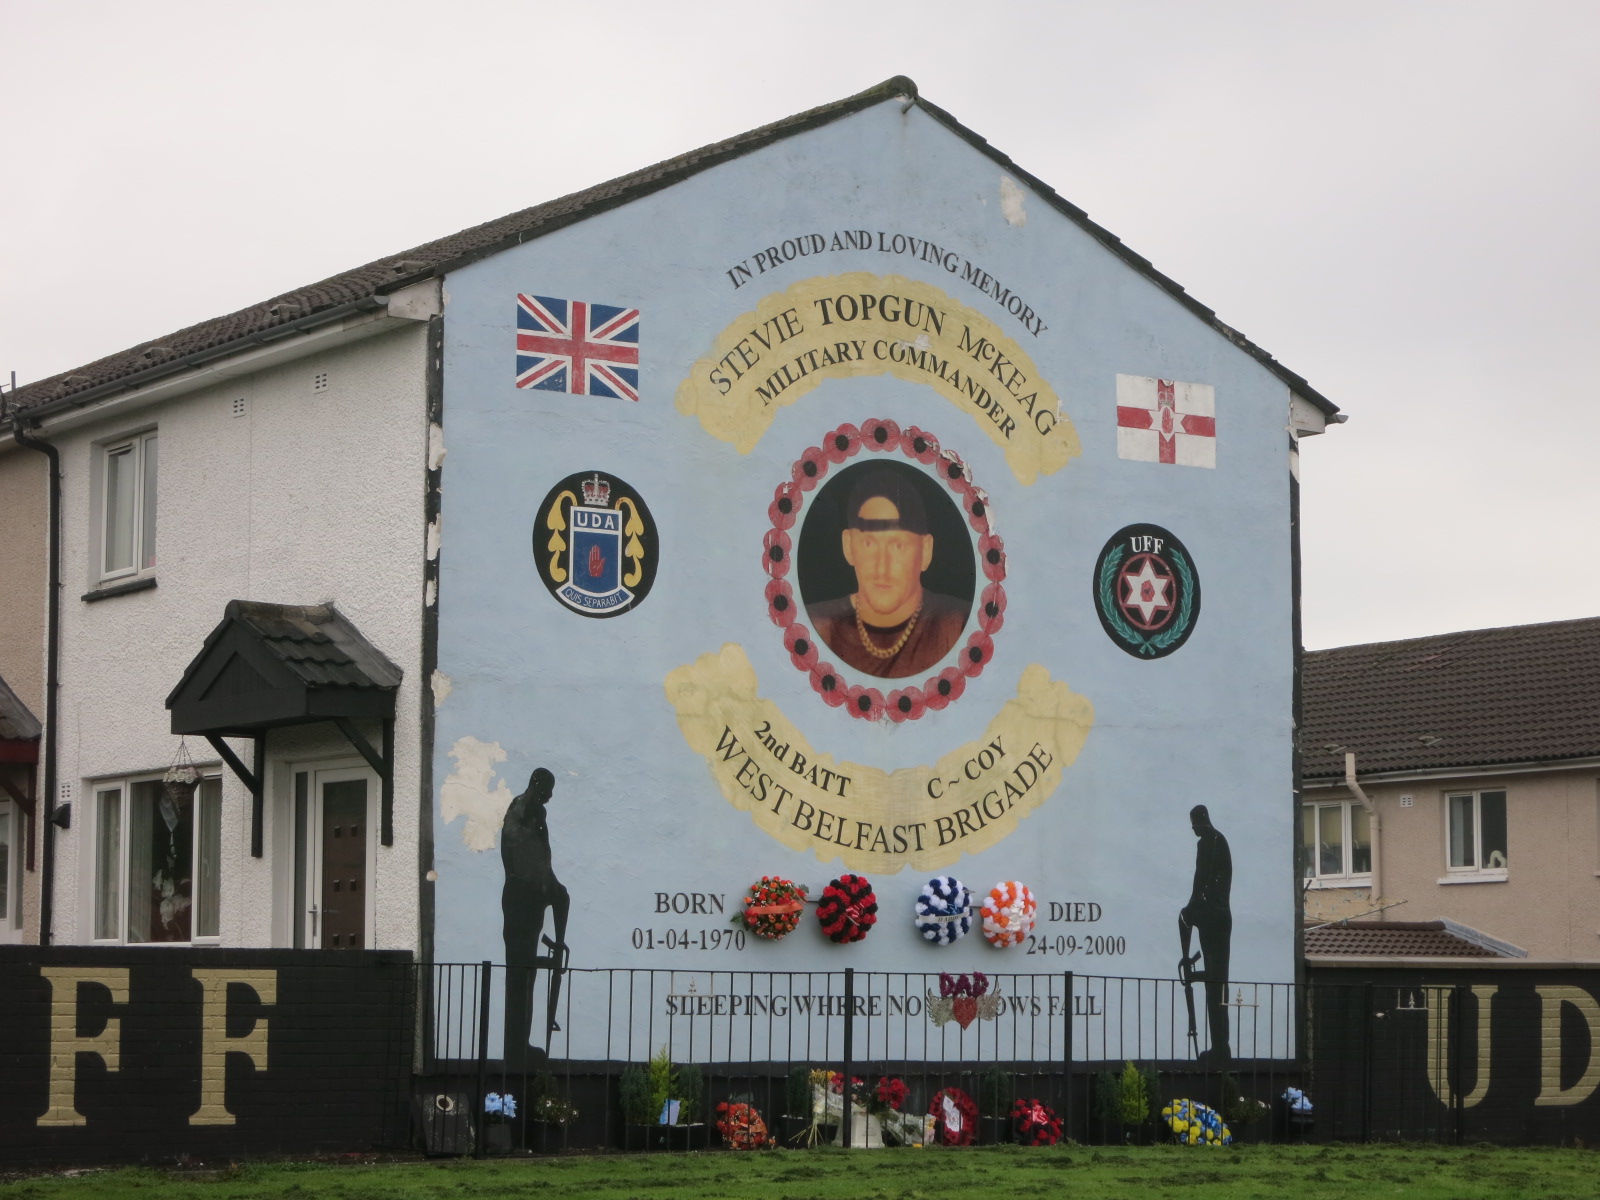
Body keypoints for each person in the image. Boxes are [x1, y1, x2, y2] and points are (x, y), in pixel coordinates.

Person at [805, 466, 968, 678]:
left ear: (926, 551)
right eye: (869, 543)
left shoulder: (958, 625)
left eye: (898, 546)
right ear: (848, 546)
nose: (882, 568)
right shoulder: (814, 627)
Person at [501, 767, 569, 1069]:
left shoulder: (523, 809)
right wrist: (552, 889)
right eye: (547, 790)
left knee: (524, 976)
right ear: (536, 784)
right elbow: (532, 861)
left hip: (523, 899)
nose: (550, 796)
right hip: (524, 901)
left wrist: (551, 887)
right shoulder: (528, 812)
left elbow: (538, 861)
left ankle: (519, 1045)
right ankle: (516, 1049)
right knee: (521, 976)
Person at [1179, 804, 1232, 1064]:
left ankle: (1221, 1047)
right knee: (1216, 982)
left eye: (1194, 823)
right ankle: (1220, 1046)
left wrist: (1193, 904)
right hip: (1216, 913)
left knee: (1216, 983)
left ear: (1202, 820)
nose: (1192, 828)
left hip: (1214, 913)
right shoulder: (1216, 839)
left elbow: (1202, 877)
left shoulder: (1210, 841)